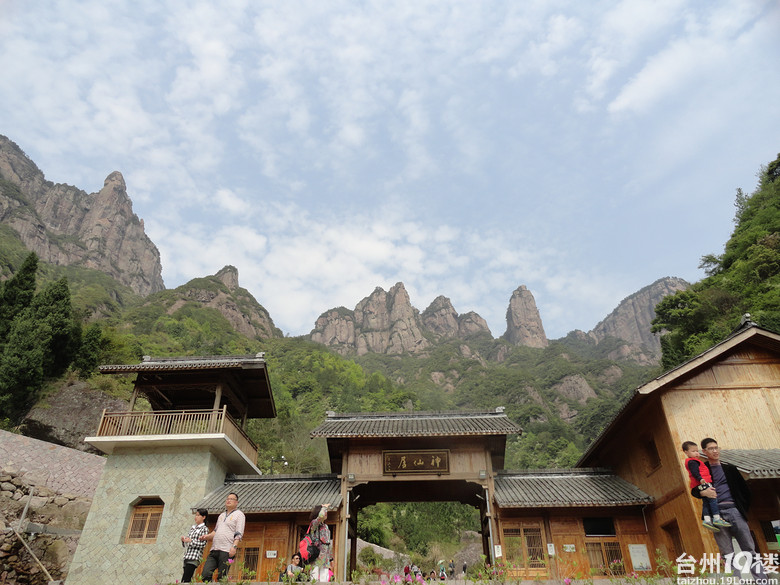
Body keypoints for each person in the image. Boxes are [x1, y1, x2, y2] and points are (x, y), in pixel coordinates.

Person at [694, 438, 770, 582]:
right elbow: (694, 490)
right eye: (711, 448)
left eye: (716, 447)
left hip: (734, 511)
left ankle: (762, 580)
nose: (715, 451)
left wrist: (741, 509)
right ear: (704, 451)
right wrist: (702, 493)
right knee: (727, 552)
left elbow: (746, 491)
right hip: (716, 515)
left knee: (749, 548)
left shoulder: (730, 469)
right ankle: (736, 581)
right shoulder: (702, 470)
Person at [681, 441, 731, 531]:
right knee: (712, 498)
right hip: (703, 483)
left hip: (700, 484)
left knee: (706, 502)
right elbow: (694, 472)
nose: (696, 453)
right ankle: (716, 518)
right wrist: (700, 479)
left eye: (697, 451)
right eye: (693, 451)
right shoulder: (692, 462)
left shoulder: (693, 461)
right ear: (686, 452)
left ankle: (707, 520)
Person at [199, 492, 246, 582]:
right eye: (227, 499)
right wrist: (206, 536)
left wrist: (234, 547)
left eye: (231, 499)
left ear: (236, 502)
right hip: (214, 549)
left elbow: (239, 532)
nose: (229, 500)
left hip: (227, 550)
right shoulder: (221, 515)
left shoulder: (239, 515)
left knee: (222, 577)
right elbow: (215, 531)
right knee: (205, 574)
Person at [180, 508, 209, 583]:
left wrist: (191, 541)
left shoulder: (204, 529)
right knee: (186, 578)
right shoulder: (193, 528)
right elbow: (187, 542)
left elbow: (203, 544)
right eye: (196, 515)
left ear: (203, 517)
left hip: (194, 556)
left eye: (198, 515)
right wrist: (184, 540)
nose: (196, 517)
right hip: (187, 555)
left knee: (186, 578)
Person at [307, 503, 332, 582]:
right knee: (314, 575)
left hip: (325, 555)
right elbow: (320, 516)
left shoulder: (325, 526)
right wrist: (324, 507)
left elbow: (328, 542)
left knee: (324, 576)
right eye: (324, 511)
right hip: (316, 553)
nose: (325, 513)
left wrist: (331, 558)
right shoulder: (314, 524)